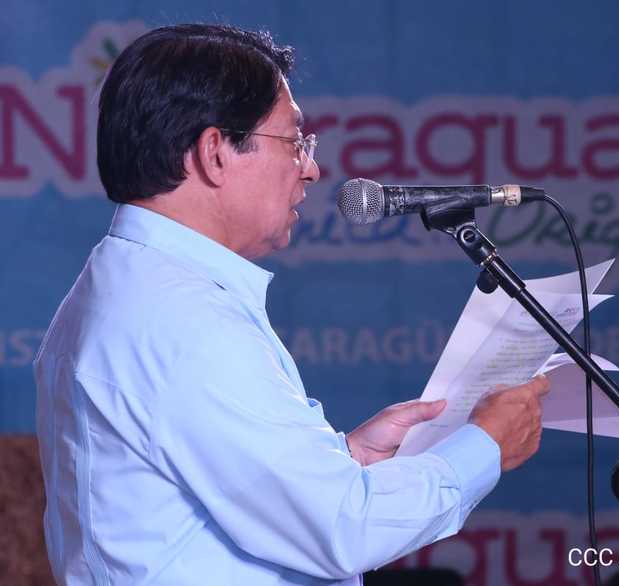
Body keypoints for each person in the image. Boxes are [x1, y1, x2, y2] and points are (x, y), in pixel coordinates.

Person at [34, 24, 550, 585]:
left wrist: (345, 460)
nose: (311, 168)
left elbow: (207, 492)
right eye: (294, 141)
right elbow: (344, 528)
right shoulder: (182, 321)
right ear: (215, 153)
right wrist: (484, 446)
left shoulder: (131, 286)